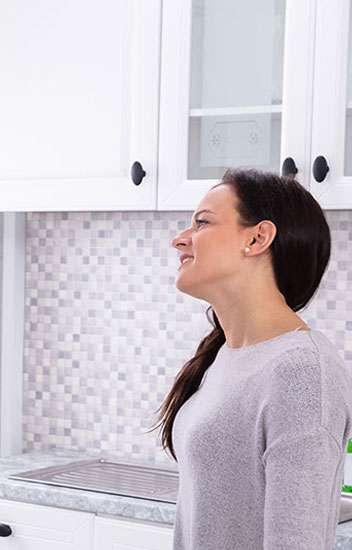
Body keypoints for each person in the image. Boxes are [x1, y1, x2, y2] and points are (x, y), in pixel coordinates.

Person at [156, 168, 352, 549]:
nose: (180, 240)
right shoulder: (227, 356)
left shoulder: (302, 371)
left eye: (202, 223)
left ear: (258, 237)